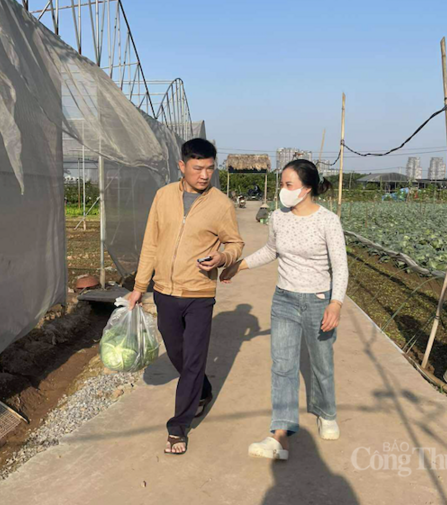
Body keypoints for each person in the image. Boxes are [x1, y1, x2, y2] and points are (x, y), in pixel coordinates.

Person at [220, 159, 348, 460]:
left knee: (321, 363)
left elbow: (340, 266)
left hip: (319, 300)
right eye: (282, 183)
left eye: (289, 185)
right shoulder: (278, 218)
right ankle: (280, 435)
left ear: (306, 189)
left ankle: (326, 412)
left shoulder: (328, 220)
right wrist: (239, 266)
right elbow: (271, 250)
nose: (283, 190)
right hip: (285, 301)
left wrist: (335, 303)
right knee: (283, 366)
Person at [126, 138, 244, 455]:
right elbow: (151, 243)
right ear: (182, 166)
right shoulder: (163, 197)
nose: (204, 175)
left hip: (199, 293)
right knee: (177, 353)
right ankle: (202, 389)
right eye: (197, 168)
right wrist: (139, 287)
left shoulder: (221, 204)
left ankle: (178, 427)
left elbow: (235, 243)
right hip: (164, 291)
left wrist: (223, 259)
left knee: (193, 359)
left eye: (209, 168)